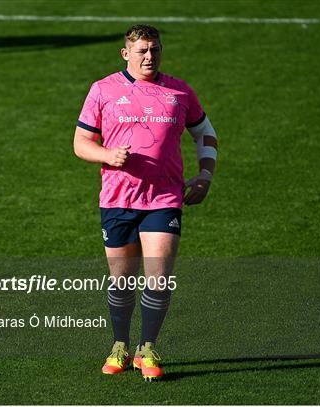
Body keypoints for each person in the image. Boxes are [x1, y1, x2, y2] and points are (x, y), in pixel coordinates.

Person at [73, 24, 218, 381]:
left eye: (154, 50)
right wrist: (107, 154)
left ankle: (147, 347)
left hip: (164, 198)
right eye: (141, 51)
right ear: (126, 54)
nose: (149, 56)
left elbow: (206, 133)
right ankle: (119, 344)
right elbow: (80, 143)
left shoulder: (180, 92)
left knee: (158, 278)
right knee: (121, 281)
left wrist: (205, 175)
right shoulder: (103, 90)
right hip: (118, 198)